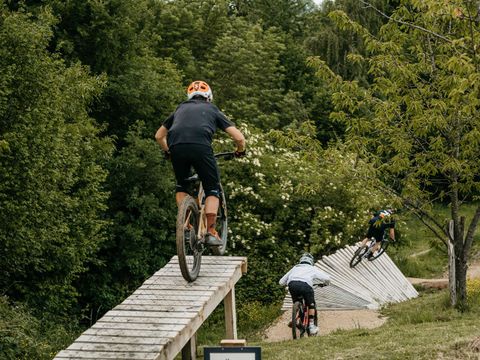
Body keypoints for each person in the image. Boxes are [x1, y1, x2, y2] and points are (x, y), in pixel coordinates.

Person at [155, 80, 246, 246]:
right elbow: (239, 137)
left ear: (189, 96)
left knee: (182, 185)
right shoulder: (212, 109)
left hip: (176, 147)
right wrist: (240, 150)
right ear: (209, 97)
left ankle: (186, 225)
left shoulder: (180, 109)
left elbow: (159, 136)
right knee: (212, 188)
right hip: (201, 148)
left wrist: (169, 151)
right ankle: (211, 232)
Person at [279, 253, 331, 335]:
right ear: (311, 262)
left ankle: (295, 319)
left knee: (297, 302)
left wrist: (290, 282)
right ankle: (311, 326)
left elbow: (281, 282)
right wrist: (326, 284)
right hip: (305, 286)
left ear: (301, 261)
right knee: (311, 304)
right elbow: (327, 278)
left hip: (292, 285)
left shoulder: (295, 268)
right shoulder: (312, 268)